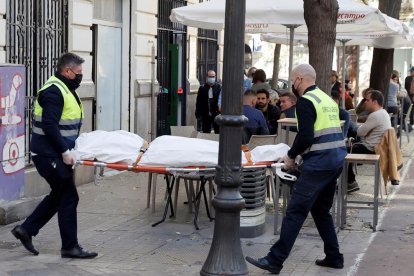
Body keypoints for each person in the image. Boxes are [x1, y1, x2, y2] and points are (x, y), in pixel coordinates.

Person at [246, 64, 346, 274]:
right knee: (320, 211)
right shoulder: (326, 99)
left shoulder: (306, 102)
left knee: (295, 211)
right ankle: (334, 256)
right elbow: (328, 131)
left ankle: (275, 260)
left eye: (293, 80)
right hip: (336, 159)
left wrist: (291, 156)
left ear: (299, 79)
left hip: (320, 163)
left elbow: (306, 136)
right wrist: (301, 154)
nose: (293, 84)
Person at [11, 53, 97, 259]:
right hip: (48, 155)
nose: (80, 77)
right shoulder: (53, 92)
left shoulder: (65, 88)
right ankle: (69, 246)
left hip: (54, 153)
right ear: (67, 71)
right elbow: (49, 125)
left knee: (60, 194)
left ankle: (27, 229)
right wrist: (65, 151)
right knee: (68, 196)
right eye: (78, 73)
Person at [347, 90, 394, 191]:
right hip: (378, 148)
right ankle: (350, 181)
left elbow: (360, 133)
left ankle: (350, 182)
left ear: (374, 102)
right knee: (350, 145)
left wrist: (354, 125)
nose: (365, 102)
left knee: (343, 151)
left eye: (367, 100)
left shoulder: (375, 115)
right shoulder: (383, 113)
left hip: (372, 149)